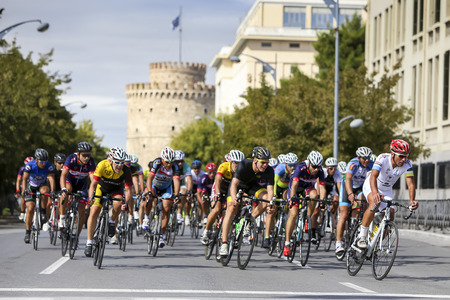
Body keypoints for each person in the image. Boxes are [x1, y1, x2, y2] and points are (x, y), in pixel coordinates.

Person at [356, 139, 419, 248]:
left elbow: (411, 184)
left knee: (390, 215)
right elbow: (373, 177)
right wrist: (375, 193)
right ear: (392, 154)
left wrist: (412, 201)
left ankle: (374, 242)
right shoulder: (383, 158)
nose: (403, 159)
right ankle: (362, 237)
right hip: (372, 185)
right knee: (374, 204)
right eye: (401, 156)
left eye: (406, 156)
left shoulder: (407, 164)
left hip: (386, 190)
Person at [219, 146, 275, 256]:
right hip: (238, 185)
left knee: (266, 199)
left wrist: (270, 204)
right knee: (230, 209)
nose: (265, 165)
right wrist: (235, 198)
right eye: (262, 162)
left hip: (252, 186)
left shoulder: (269, 170)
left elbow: (270, 190)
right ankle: (224, 244)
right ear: (255, 160)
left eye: (267, 162)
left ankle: (247, 221)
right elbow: (234, 184)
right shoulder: (244, 164)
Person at [84, 147, 132, 257]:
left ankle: (111, 221)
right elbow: (93, 184)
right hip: (101, 188)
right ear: (110, 160)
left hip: (116, 189)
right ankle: (89, 243)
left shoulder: (126, 170)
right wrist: (90, 197)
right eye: (117, 162)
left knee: (119, 204)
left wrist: (126, 202)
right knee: (94, 211)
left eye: (122, 162)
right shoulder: (102, 165)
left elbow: (128, 190)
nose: (120, 165)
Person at [284, 150, 326, 256]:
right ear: (309, 164)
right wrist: (293, 198)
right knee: (293, 214)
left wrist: (322, 201)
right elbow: (294, 186)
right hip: (296, 187)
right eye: (314, 167)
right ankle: (287, 243)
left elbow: (322, 187)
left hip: (307, 188)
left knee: (314, 195)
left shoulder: (320, 171)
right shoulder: (301, 168)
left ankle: (307, 217)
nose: (316, 169)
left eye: (318, 167)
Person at [200, 150, 245, 245]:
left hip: (231, 190)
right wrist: (217, 193)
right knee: (216, 209)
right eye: (235, 163)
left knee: (232, 209)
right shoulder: (223, 166)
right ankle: (206, 231)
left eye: (240, 163)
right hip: (220, 188)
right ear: (231, 162)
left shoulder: (242, 170)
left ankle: (229, 232)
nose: (237, 165)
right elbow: (218, 181)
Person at [335, 146, 374, 256]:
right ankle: (338, 243)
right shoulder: (353, 164)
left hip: (361, 188)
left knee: (362, 202)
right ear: (359, 157)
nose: (367, 160)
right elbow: (347, 179)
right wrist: (350, 194)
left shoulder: (371, 164)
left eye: (368, 158)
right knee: (343, 213)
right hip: (348, 186)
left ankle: (354, 222)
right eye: (364, 158)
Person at [144, 147, 181, 248]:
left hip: (166, 188)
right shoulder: (157, 163)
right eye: (167, 162)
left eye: (171, 162)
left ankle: (162, 235)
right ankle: (146, 218)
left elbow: (176, 181)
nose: (169, 164)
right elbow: (150, 178)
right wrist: (149, 191)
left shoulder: (175, 166)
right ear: (162, 159)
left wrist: (177, 194)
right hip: (155, 186)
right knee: (150, 198)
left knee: (166, 207)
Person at [60, 142, 96, 237]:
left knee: (81, 211)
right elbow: (63, 175)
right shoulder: (71, 159)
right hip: (69, 181)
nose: (86, 158)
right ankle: (62, 217)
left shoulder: (91, 162)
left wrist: (91, 195)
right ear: (78, 154)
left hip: (81, 186)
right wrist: (63, 189)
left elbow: (93, 180)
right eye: (84, 155)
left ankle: (76, 236)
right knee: (67, 190)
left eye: (88, 155)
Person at [21, 148, 56, 244]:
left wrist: (52, 191)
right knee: (31, 208)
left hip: (41, 185)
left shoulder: (48, 166)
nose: (43, 163)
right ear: (36, 160)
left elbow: (51, 178)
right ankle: (28, 232)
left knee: (45, 191)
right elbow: (24, 179)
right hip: (31, 186)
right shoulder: (29, 165)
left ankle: (43, 212)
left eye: (45, 161)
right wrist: (24, 190)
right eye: (41, 161)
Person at [174, 150, 193, 225]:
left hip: (181, 184)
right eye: (178, 161)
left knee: (184, 191)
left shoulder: (186, 166)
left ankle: (179, 213)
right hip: (171, 183)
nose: (180, 163)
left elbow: (189, 179)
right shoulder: (172, 166)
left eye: (182, 161)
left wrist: (189, 191)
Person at [16, 157, 34, 221]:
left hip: (33, 183)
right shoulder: (22, 168)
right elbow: (18, 180)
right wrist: (18, 190)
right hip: (25, 183)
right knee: (23, 194)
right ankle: (22, 211)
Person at [189, 160, 205, 225]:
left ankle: (199, 219)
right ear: (192, 168)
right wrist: (189, 193)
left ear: (200, 168)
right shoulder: (190, 173)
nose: (196, 170)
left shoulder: (203, 174)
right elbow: (188, 184)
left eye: (198, 168)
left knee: (199, 204)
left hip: (199, 188)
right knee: (188, 200)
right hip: (192, 187)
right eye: (195, 168)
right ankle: (188, 215)